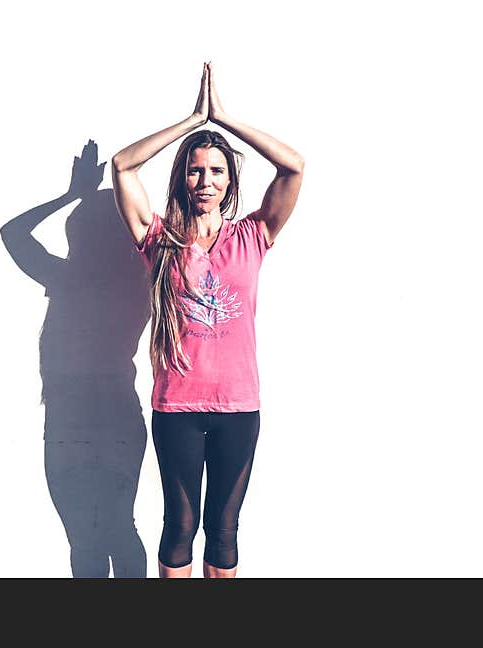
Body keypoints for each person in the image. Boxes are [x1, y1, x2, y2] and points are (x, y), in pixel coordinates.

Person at [111, 62, 304, 578]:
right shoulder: (161, 241)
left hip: (238, 406)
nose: (205, 180)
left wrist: (225, 120)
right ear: (183, 178)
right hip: (177, 406)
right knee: (180, 523)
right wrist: (193, 119)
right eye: (196, 170)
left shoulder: (252, 236)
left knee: (224, 529)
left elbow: (294, 168)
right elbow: (123, 167)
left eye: (217, 171)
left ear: (229, 181)